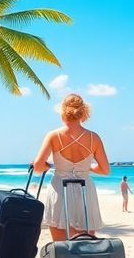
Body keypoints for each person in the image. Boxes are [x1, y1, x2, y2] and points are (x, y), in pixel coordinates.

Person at [32, 93, 111, 242]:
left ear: (63, 111)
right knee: (87, 245)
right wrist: (87, 168)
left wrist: (48, 165)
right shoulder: (94, 138)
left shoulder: (53, 135)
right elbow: (105, 170)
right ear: (83, 112)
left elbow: (37, 166)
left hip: (60, 189)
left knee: (60, 246)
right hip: (85, 190)